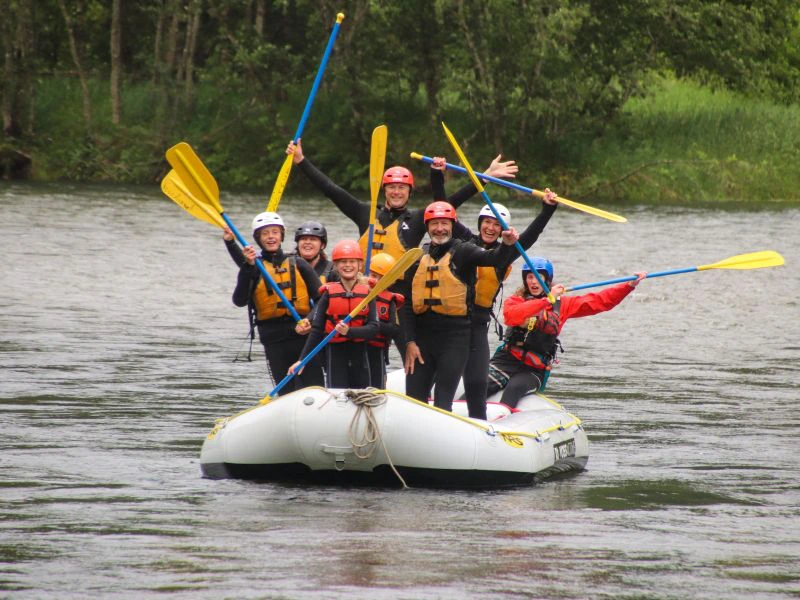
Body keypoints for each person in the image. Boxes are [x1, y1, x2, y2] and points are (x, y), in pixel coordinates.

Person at [286, 138, 518, 260]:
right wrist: (301, 161)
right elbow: (331, 189)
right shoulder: (364, 212)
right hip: (365, 289)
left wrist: (484, 177)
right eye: (392, 188)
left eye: (402, 188)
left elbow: (449, 204)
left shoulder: (418, 219)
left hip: (399, 295)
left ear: (409, 192)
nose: (396, 192)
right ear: (384, 190)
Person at [401, 201, 519, 413]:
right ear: (427, 227)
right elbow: (407, 303)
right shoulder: (417, 257)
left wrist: (508, 245)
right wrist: (409, 341)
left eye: (444, 223)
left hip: (455, 339)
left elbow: (492, 258)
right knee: (414, 401)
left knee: (442, 403)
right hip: (422, 338)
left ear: (452, 225)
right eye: (434, 223)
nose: (439, 228)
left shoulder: (464, 251)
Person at [451, 195, 558, 419]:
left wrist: (547, 209)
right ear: (479, 223)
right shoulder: (465, 241)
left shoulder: (505, 253)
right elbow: (445, 215)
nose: (490, 228)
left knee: (477, 379)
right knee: (457, 375)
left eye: (496, 224)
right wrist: (438, 175)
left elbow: (529, 237)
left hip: (479, 321)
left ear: (502, 230)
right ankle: (451, 413)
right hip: (454, 319)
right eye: (487, 222)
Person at [488, 256, 646, 408]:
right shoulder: (516, 300)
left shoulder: (563, 304)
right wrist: (545, 301)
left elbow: (599, 301)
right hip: (506, 360)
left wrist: (629, 286)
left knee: (514, 388)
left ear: (547, 280)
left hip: (533, 369)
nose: (534, 281)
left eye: (539, 277)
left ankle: (501, 421)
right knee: (478, 385)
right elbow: (511, 317)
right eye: (530, 277)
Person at [232, 211, 324, 391]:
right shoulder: (254, 267)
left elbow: (321, 299)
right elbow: (239, 300)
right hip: (273, 338)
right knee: (286, 390)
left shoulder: (299, 263)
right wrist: (246, 268)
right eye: (265, 233)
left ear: (282, 235)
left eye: (274, 232)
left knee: (314, 386)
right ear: (258, 239)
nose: (270, 237)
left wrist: (310, 320)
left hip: (302, 334)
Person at [290, 240, 379, 389]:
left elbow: (374, 328)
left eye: (352, 261)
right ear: (336, 266)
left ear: (359, 265)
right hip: (335, 353)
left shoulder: (368, 294)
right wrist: (302, 360)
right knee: (337, 392)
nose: (348, 265)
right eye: (343, 262)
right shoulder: (328, 293)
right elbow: (317, 329)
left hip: (360, 354)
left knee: (361, 393)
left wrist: (349, 331)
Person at [365, 253, 405, 388]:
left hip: (377, 351)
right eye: (372, 275)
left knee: (377, 384)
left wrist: (373, 324)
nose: (373, 280)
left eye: (378, 277)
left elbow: (394, 329)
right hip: (357, 348)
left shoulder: (390, 300)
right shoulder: (359, 293)